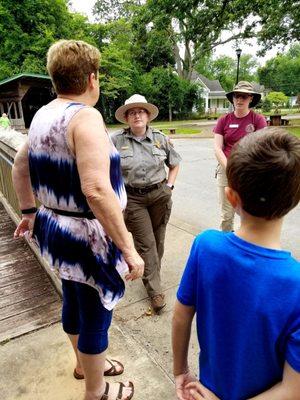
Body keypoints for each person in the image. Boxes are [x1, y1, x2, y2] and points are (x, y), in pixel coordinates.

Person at [12, 39, 144, 400]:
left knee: (73, 300)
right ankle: (96, 390)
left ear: (55, 79)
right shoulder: (85, 117)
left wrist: (28, 211)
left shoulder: (42, 114)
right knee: (97, 314)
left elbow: (20, 166)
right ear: (91, 78)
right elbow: (97, 191)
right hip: (89, 237)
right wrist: (129, 248)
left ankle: (82, 364)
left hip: (55, 228)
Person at [172, 127, 300, 400]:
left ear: (232, 197)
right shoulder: (296, 285)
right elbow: (292, 389)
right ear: (294, 200)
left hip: (205, 389)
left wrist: (180, 371)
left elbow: (181, 314)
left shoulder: (206, 246)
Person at [111, 95, 181, 313]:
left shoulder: (160, 139)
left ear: (148, 116)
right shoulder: (116, 141)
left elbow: (175, 163)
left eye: (141, 111)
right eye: (132, 112)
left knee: (158, 240)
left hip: (159, 195)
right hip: (134, 199)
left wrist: (169, 187)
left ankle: (151, 273)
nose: (137, 115)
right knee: (147, 244)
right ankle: (155, 291)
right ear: (127, 118)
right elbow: (105, 168)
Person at [214, 81, 267, 231]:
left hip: (249, 172)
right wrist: (229, 167)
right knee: (226, 215)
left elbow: (262, 148)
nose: (239, 100)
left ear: (251, 98)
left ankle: (247, 246)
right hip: (226, 171)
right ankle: (227, 247)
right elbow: (217, 147)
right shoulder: (224, 120)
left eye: (244, 96)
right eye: (237, 96)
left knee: (250, 213)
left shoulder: (258, 120)